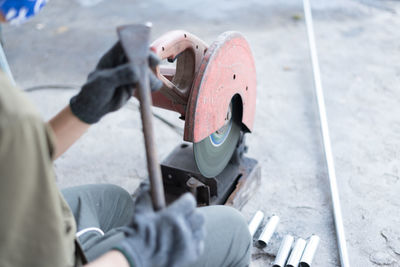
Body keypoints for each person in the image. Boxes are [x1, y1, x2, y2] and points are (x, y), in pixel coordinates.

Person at [0, 1, 252, 266]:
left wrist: (83, 111)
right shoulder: (13, 116)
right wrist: (135, 254)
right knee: (233, 231)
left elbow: (14, 160)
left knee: (115, 202)